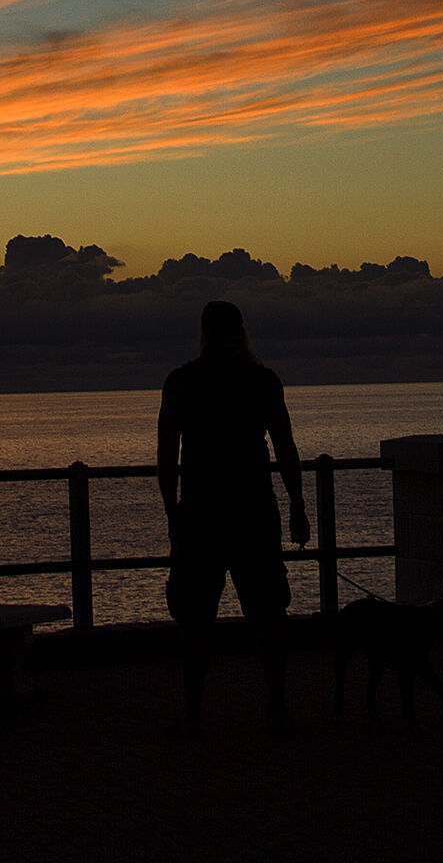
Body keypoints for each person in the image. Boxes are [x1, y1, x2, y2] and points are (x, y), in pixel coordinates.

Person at [156, 299, 310, 737]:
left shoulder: (181, 383)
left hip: (202, 512)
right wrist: (297, 504)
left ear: (203, 332)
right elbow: (285, 448)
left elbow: (167, 458)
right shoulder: (263, 381)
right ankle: (277, 708)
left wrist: (172, 513)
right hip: (254, 509)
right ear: (241, 331)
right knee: (269, 614)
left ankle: (195, 712)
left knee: (194, 618)